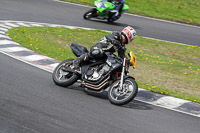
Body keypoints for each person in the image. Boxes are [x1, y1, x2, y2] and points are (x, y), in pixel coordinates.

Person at [72, 26, 136, 71]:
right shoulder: (117, 35)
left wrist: (128, 61)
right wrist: (113, 40)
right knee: (98, 52)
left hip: (105, 55)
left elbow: (122, 57)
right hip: (98, 47)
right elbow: (108, 36)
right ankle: (77, 61)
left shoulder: (122, 46)